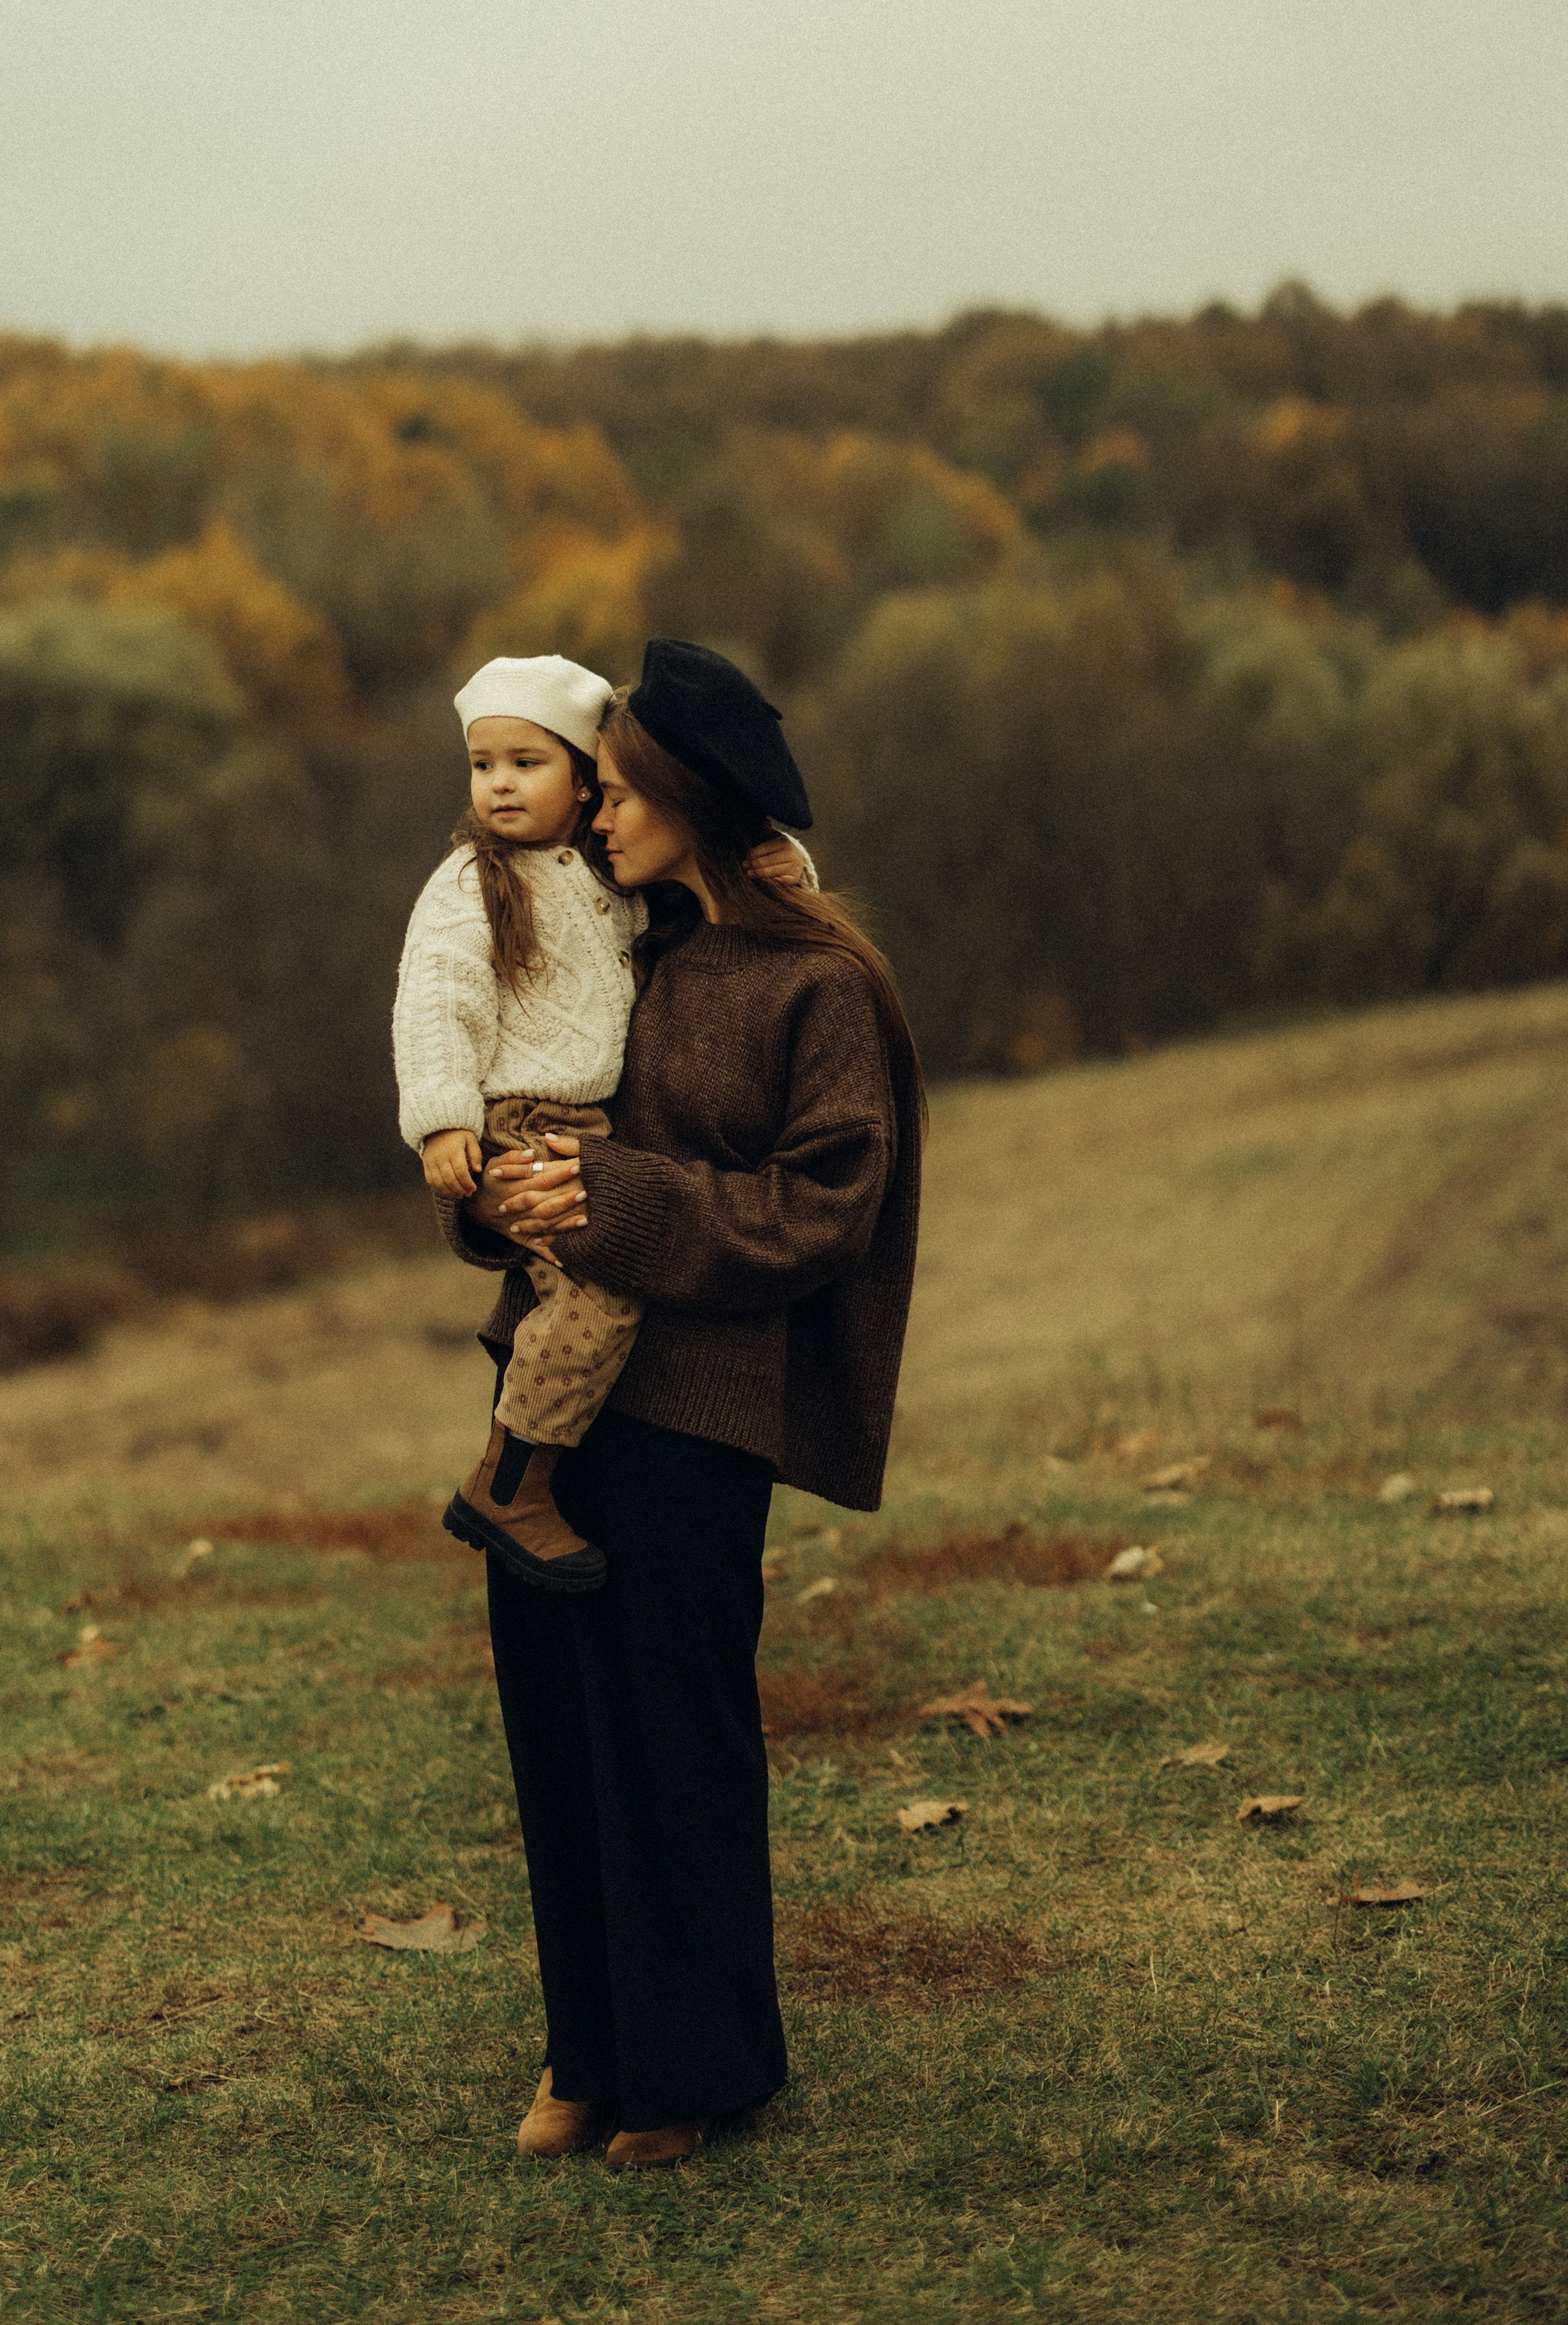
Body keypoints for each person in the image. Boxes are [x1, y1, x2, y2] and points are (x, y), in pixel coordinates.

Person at [446, 637, 924, 2173]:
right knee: (558, 1727)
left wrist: (620, 1196)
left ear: (692, 802)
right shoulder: (604, 941)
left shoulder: (820, 986)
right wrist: (497, 1199)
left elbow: (825, 1210)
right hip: (560, 1401)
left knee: (673, 1734)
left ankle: (698, 2065)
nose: (593, 813)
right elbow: (526, 1111)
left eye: (625, 791)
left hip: (704, 1407)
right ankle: (585, 2056)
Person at [392, 652, 817, 1590]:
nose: (499, 785)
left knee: (593, 1289)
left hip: (588, 1127)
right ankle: (512, 1478)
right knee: (597, 1299)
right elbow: (437, 1000)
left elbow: (703, 882)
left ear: (586, 780)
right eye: (482, 765)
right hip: (525, 1121)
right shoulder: (472, 884)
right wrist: (441, 1121)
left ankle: (525, 1472)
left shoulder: (603, 874)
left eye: (526, 763)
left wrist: (786, 864)